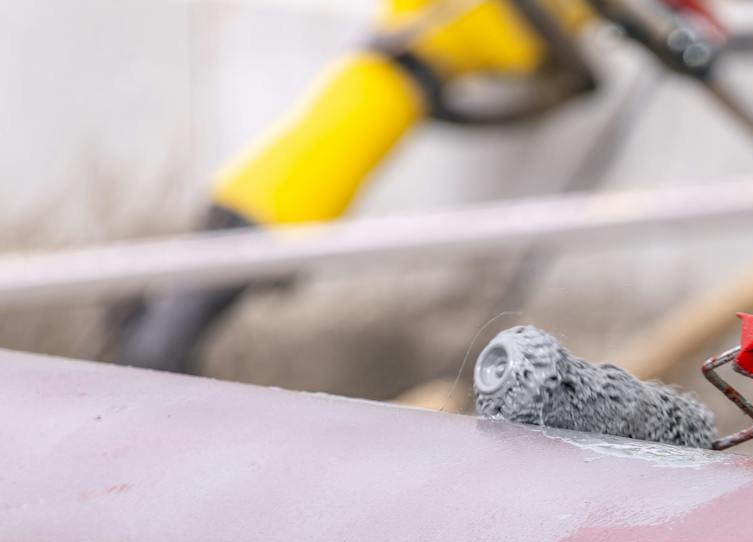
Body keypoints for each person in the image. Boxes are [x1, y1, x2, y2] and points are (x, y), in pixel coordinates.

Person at [109, 0, 600, 374]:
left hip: (379, 100)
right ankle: (158, 341)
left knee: (272, 207)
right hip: (372, 99)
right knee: (274, 209)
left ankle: (164, 332)